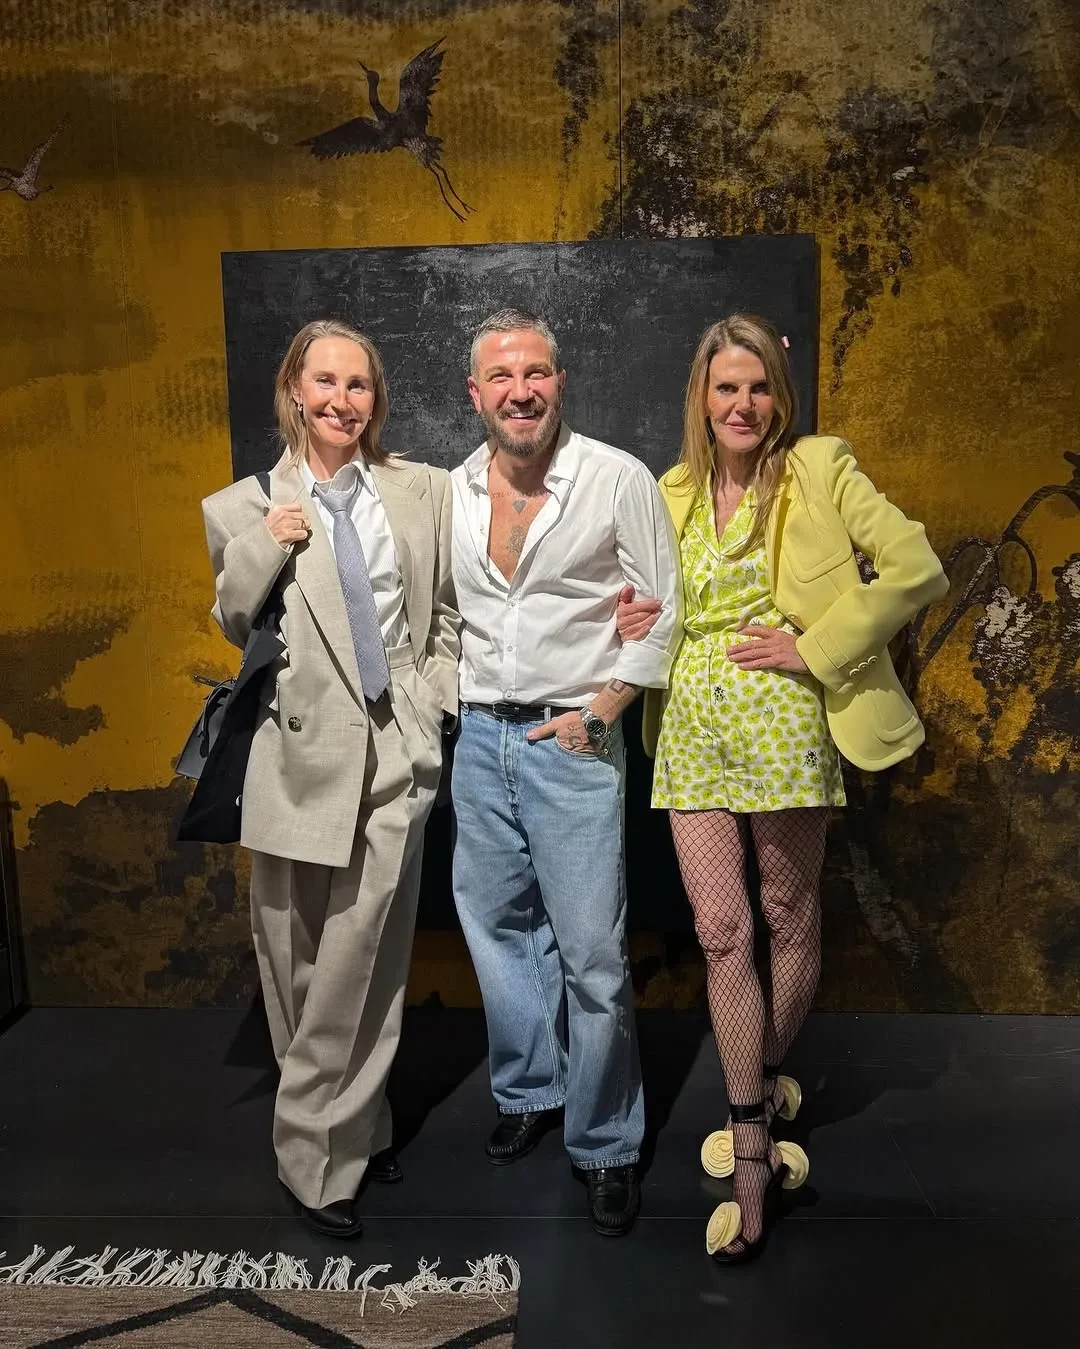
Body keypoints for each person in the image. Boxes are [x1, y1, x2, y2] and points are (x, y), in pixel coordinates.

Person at [618, 313, 948, 1263]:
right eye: (727, 386)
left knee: (789, 916)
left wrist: (817, 646)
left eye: (759, 387)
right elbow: (653, 606)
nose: (744, 403)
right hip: (692, 728)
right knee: (722, 931)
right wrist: (632, 616)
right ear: (701, 395)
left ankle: (757, 1086)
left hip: (785, 724)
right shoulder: (670, 490)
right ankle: (753, 1136)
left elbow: (917, 566)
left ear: (780, 396)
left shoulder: (819, 467)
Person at [200, 319, 459, 1238]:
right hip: (295, 759)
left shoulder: (419, 490)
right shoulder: (243, 506)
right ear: (293, 391)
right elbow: (233, 618)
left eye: (358, 384)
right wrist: (267, 543)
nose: (342, 400)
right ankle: (360, 1124)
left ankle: (312, 1158)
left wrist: (432, 704)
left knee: (365, 957)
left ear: (374, 398)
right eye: (325, 381)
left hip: (393, 748)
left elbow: (444, 613)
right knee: (296, 960)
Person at [449, 309, 680, 1236]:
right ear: (476, 393)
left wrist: (600, 712)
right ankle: (530, 1089)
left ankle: (607, 1141)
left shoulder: (617, 478)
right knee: (498, 928)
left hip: (571, 736)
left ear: (560, 381)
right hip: (478, 736)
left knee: (591, 952)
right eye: (502, 377)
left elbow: (664, 607)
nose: (521, 391)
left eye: (536, 372)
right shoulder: (452, 490)